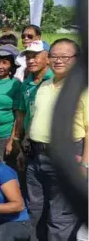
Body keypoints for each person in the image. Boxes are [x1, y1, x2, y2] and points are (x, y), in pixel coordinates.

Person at [27, 39, 86, 241]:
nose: (58, 60)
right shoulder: (44, 86)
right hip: (36, 157)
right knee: (36, 211)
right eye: (54, 56)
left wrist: (85, 164)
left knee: (59, 216)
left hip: (66, 157)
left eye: (65, 57)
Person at [14, 41, 53, 145]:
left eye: (35, 56)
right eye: (28, 57)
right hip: (30, 139)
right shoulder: (26, 83)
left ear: (48, 59)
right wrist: (17, 138)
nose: (30, 61)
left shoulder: (56, 81)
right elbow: (22, 113)